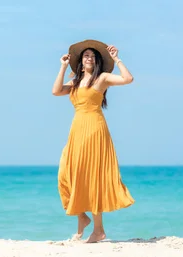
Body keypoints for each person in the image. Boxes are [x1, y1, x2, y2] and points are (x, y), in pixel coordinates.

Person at [51, 39, 136, 243]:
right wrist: (62, 66)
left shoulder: (102, 78)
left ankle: (99, 230)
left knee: (92, 177)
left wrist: (117, 59)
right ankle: (81, 216)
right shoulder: (75, 82)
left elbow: (128, 79)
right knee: (66, 173)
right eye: (85, 55)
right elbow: (55, 91)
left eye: (92, 55)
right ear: (81, 61)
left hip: (95, 130)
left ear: (97, 61)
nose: (89, 58)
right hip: (77, 130)